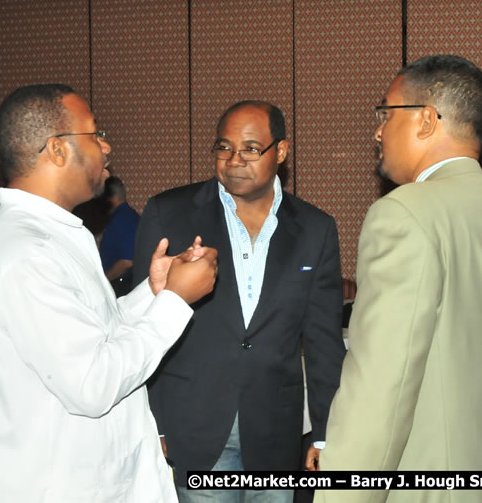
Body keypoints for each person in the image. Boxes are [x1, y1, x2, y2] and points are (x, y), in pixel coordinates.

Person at [314, 55, 482, 503]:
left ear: (426, 120)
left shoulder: (404, 213)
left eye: (385, 114)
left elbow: (381, 387)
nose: (377, 131)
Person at [0, 84, 218, 502]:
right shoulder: (25, 251)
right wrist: (176, 302)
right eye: (94, 132)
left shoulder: (57, 234)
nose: (106, 145)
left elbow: (96, 334)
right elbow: (92, 382)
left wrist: (155, 292)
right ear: (57, 150)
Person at [133, 100, 347, 503]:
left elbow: (322, 343)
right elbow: (144, 323)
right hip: (192, 428)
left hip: (275, 432)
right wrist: (154, 423)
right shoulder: (170, 214)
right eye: (224, 147)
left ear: (280, 152)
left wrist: (325, 432)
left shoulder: (315, 229)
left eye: (251, 148)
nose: (234, 160)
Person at [100, 175, 141, 295]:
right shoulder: (128, 216)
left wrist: (103, 282)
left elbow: (127, 262)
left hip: (120, 287)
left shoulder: (122, 219)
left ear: (109, 198)